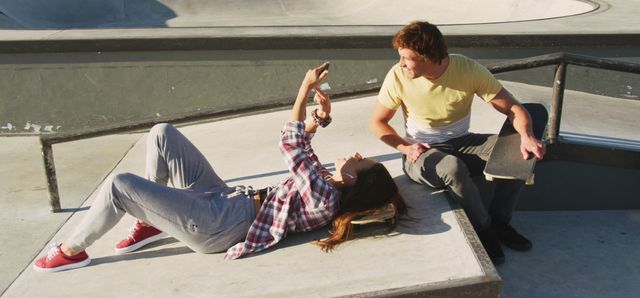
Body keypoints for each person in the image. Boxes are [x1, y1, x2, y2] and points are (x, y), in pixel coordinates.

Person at [34, 63, 407, 272]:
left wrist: (303, 89)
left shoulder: (325, 197)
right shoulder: (327, 186)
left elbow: (289, 145)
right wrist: (319, 120)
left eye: (360, 160)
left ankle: (71, 250)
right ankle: (149, 220)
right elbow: (303, 150)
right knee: (162, 133)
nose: (354, 154)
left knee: (120, 185)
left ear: (354, 179)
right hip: (226, 199)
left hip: (219, 225)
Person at [369, 21, 545, 265]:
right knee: (452, 167)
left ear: (427, 56)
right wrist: (405, 146)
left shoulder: (466, 69)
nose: (401, 63)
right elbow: (378, 123)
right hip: (421, 153)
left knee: (519, 153)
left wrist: (527, 136)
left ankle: (500, 222)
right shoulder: (398, 76)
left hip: (464, 143)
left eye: (406, 58)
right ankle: (484, 230)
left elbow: (514, 108)